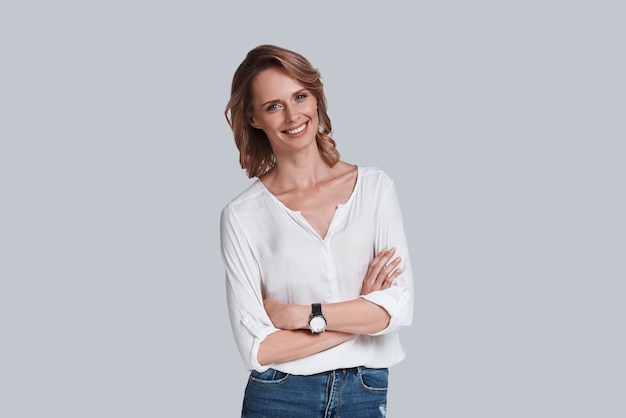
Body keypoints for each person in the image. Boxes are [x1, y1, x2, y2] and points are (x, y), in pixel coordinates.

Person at [220, 44, 414, 417]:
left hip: (363, 391)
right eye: (273, 105)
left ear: (316, 96)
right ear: (254, 118)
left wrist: (303, 316)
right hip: (279, 394)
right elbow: (257, 348)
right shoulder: (242, 215)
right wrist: (363, 316)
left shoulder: (375, 189)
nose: (293, 115)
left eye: (300, 96)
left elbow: (399, 308)